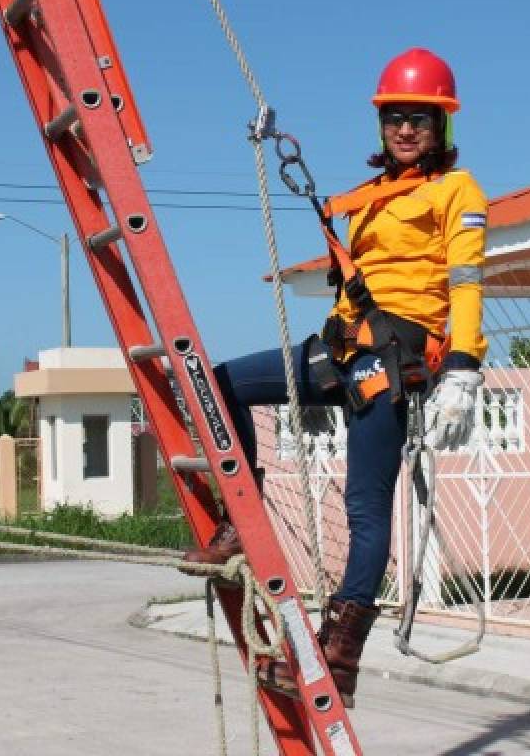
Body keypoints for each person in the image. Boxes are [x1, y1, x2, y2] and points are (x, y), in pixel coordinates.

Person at [183, 47, 488, 707]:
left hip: (396, 357)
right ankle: (241, 514)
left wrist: (464, 366)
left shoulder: (458, 193)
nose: (406, 130)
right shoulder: (372, 197)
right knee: (219, 383)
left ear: (442, 127)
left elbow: (465, 282)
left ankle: (341, 654)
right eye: (395, 118)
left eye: (420, 118)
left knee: (364, 505)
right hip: (343, 346)